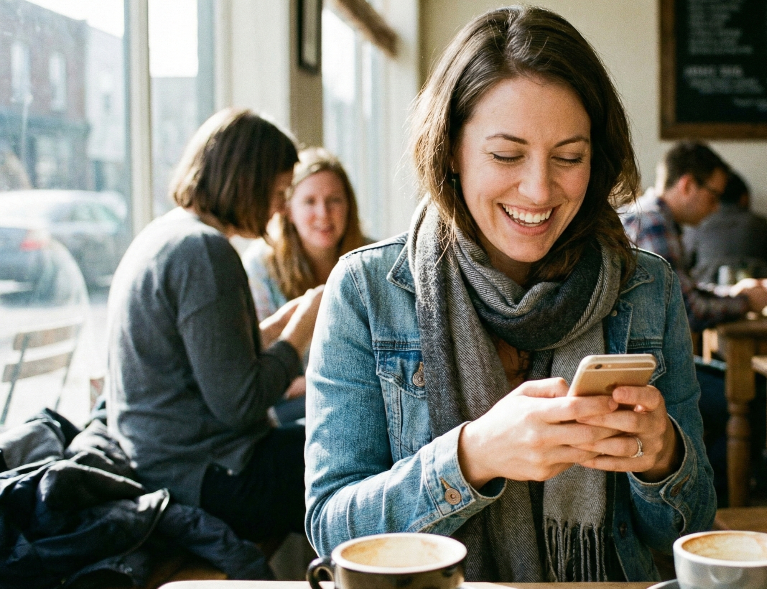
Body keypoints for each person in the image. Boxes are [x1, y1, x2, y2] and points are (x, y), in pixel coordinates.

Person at [304, 7, 715, 583]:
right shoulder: (366, 291)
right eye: (506, 155)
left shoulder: (646, 287)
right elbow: (331, 529)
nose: (539, 190)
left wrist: (663, 456)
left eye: (569, 157)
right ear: (451, 149)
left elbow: (691, 528)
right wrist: (474, 456)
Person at [106, 108, 323, 543]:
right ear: (249, 182)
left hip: (161, 463)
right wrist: (300, 333)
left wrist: (282, 322)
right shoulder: (204, 252)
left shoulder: (166, 236)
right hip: (202, 475)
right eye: (279, 192)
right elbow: (241, 401)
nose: (283, 207)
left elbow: (213, 356)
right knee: (356, 460)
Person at [621, 142, 767, 332]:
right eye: (713, 197)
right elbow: (687, 312)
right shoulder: (653, 224)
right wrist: (746, 302)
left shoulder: (649, 215)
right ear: (688, 185)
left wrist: (733, 294)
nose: (716, 208)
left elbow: (684, 293)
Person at [243, 147, 368, 323]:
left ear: (349, 206)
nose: (323, 213)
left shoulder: (375, 259)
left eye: (334, 200)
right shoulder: (260, 267)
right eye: (309, 201)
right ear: (288, 210)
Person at [682, 171, 767, 283]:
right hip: (753, 286)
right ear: (744, 197)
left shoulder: (698, 223)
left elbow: (684, 263)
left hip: (707, 286)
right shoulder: (759, 223)